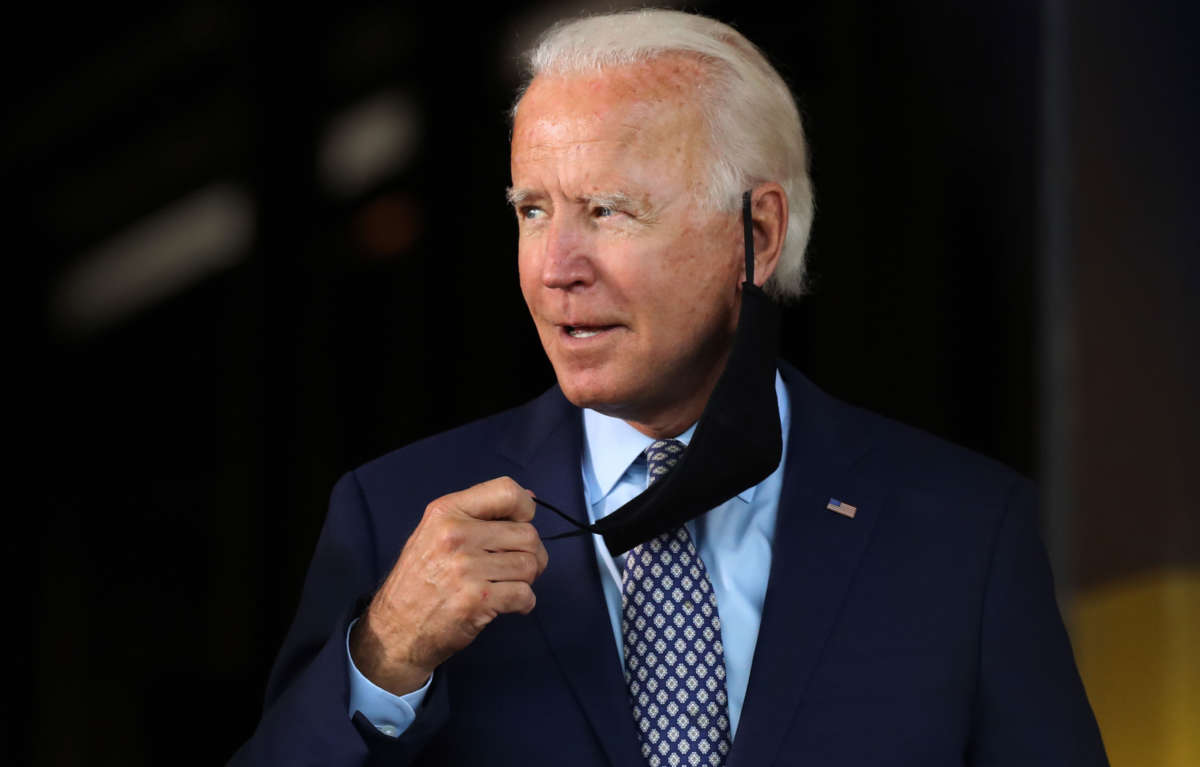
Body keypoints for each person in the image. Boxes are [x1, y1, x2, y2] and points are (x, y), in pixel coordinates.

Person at [231, 9, 1108, 766]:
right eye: (533, 211)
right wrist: (384, 659)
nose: (555, 269)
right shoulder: (393, 516)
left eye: (610, 210)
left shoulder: (964, 531)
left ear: (756, 235)